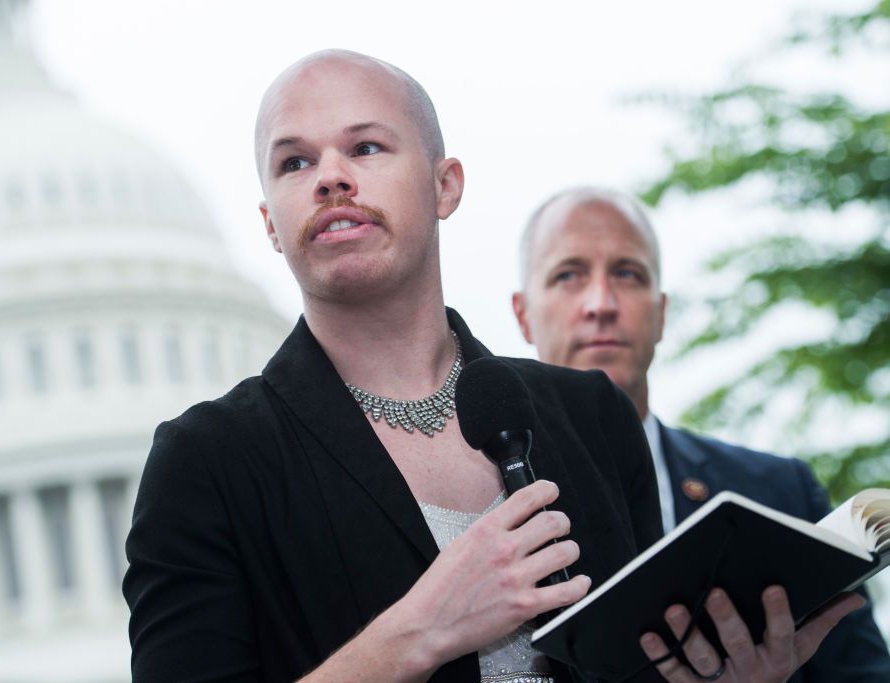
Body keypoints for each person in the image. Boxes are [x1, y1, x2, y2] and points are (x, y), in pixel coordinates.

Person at [124, 50, 857, 683]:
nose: (331, 178)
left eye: (368, 147)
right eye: (295, 161)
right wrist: (421, 630)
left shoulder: (590, 414)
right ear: (270, 225)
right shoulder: (207, 462)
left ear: (446, 185)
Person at [512, 185, 888, 682]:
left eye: (627, 274)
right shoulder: (480, 504)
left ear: (661, 312)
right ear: (523, 315)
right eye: (568, 275)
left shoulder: (781, 493)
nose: (600, 303)